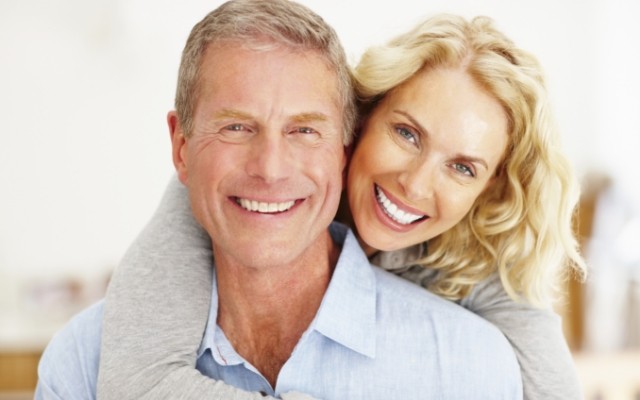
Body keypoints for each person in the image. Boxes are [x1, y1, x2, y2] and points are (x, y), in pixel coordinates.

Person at [35, 1, 523, 399]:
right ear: (181, 148)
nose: (269, 168)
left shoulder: (470, 365)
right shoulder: (83, 363)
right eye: (237, 127)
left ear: (343, 150)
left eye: (304, 130)